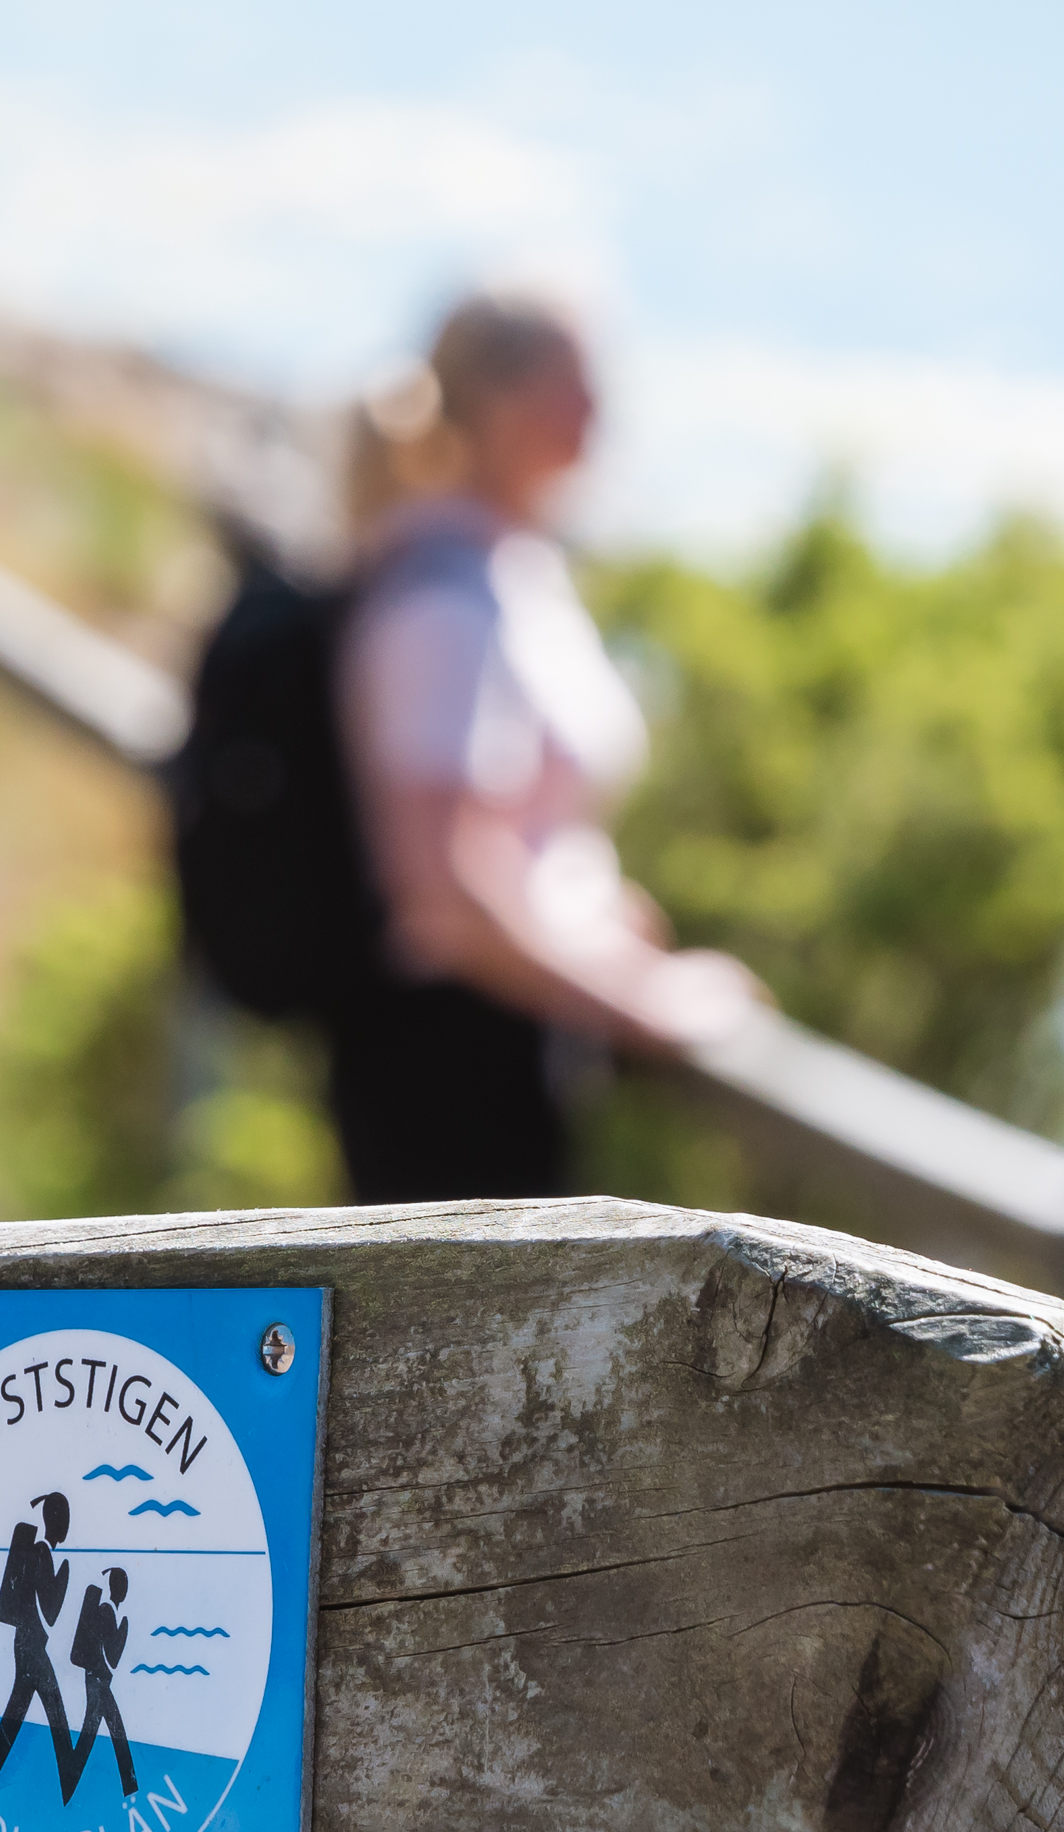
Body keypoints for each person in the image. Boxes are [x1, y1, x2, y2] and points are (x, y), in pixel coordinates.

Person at [323, 290, 763, 1201]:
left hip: (505, 1040)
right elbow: (449, 887)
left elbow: (515, 842)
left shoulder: (504, 569)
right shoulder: (444, 593)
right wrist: (645, 1004)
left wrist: (602, 923)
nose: (600, 413)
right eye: (578, 385)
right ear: (501, 401)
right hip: (451, 1066)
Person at [0, 1493, 74, 1793]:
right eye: (65, 1521)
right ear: (56, 1522)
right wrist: (64, 1576)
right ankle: (71, 1778)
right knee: (55, 1712)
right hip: (31, 1646)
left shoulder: (37, 1552)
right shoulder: (42, 1553)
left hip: (27, 1644)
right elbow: (51, 1612)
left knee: (17, 1714)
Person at [64, 1565, 135, 1802]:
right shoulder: (107, 1612)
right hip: (97, 1682)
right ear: (119, 1589)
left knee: (94, 1734)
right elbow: (111, 1656)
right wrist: (124, 1629)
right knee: (112, 1732)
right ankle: (129, 1785)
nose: (124, 1590)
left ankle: (70, 1782)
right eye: (123, 1585)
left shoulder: (107, 1611)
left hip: (98, 1681)